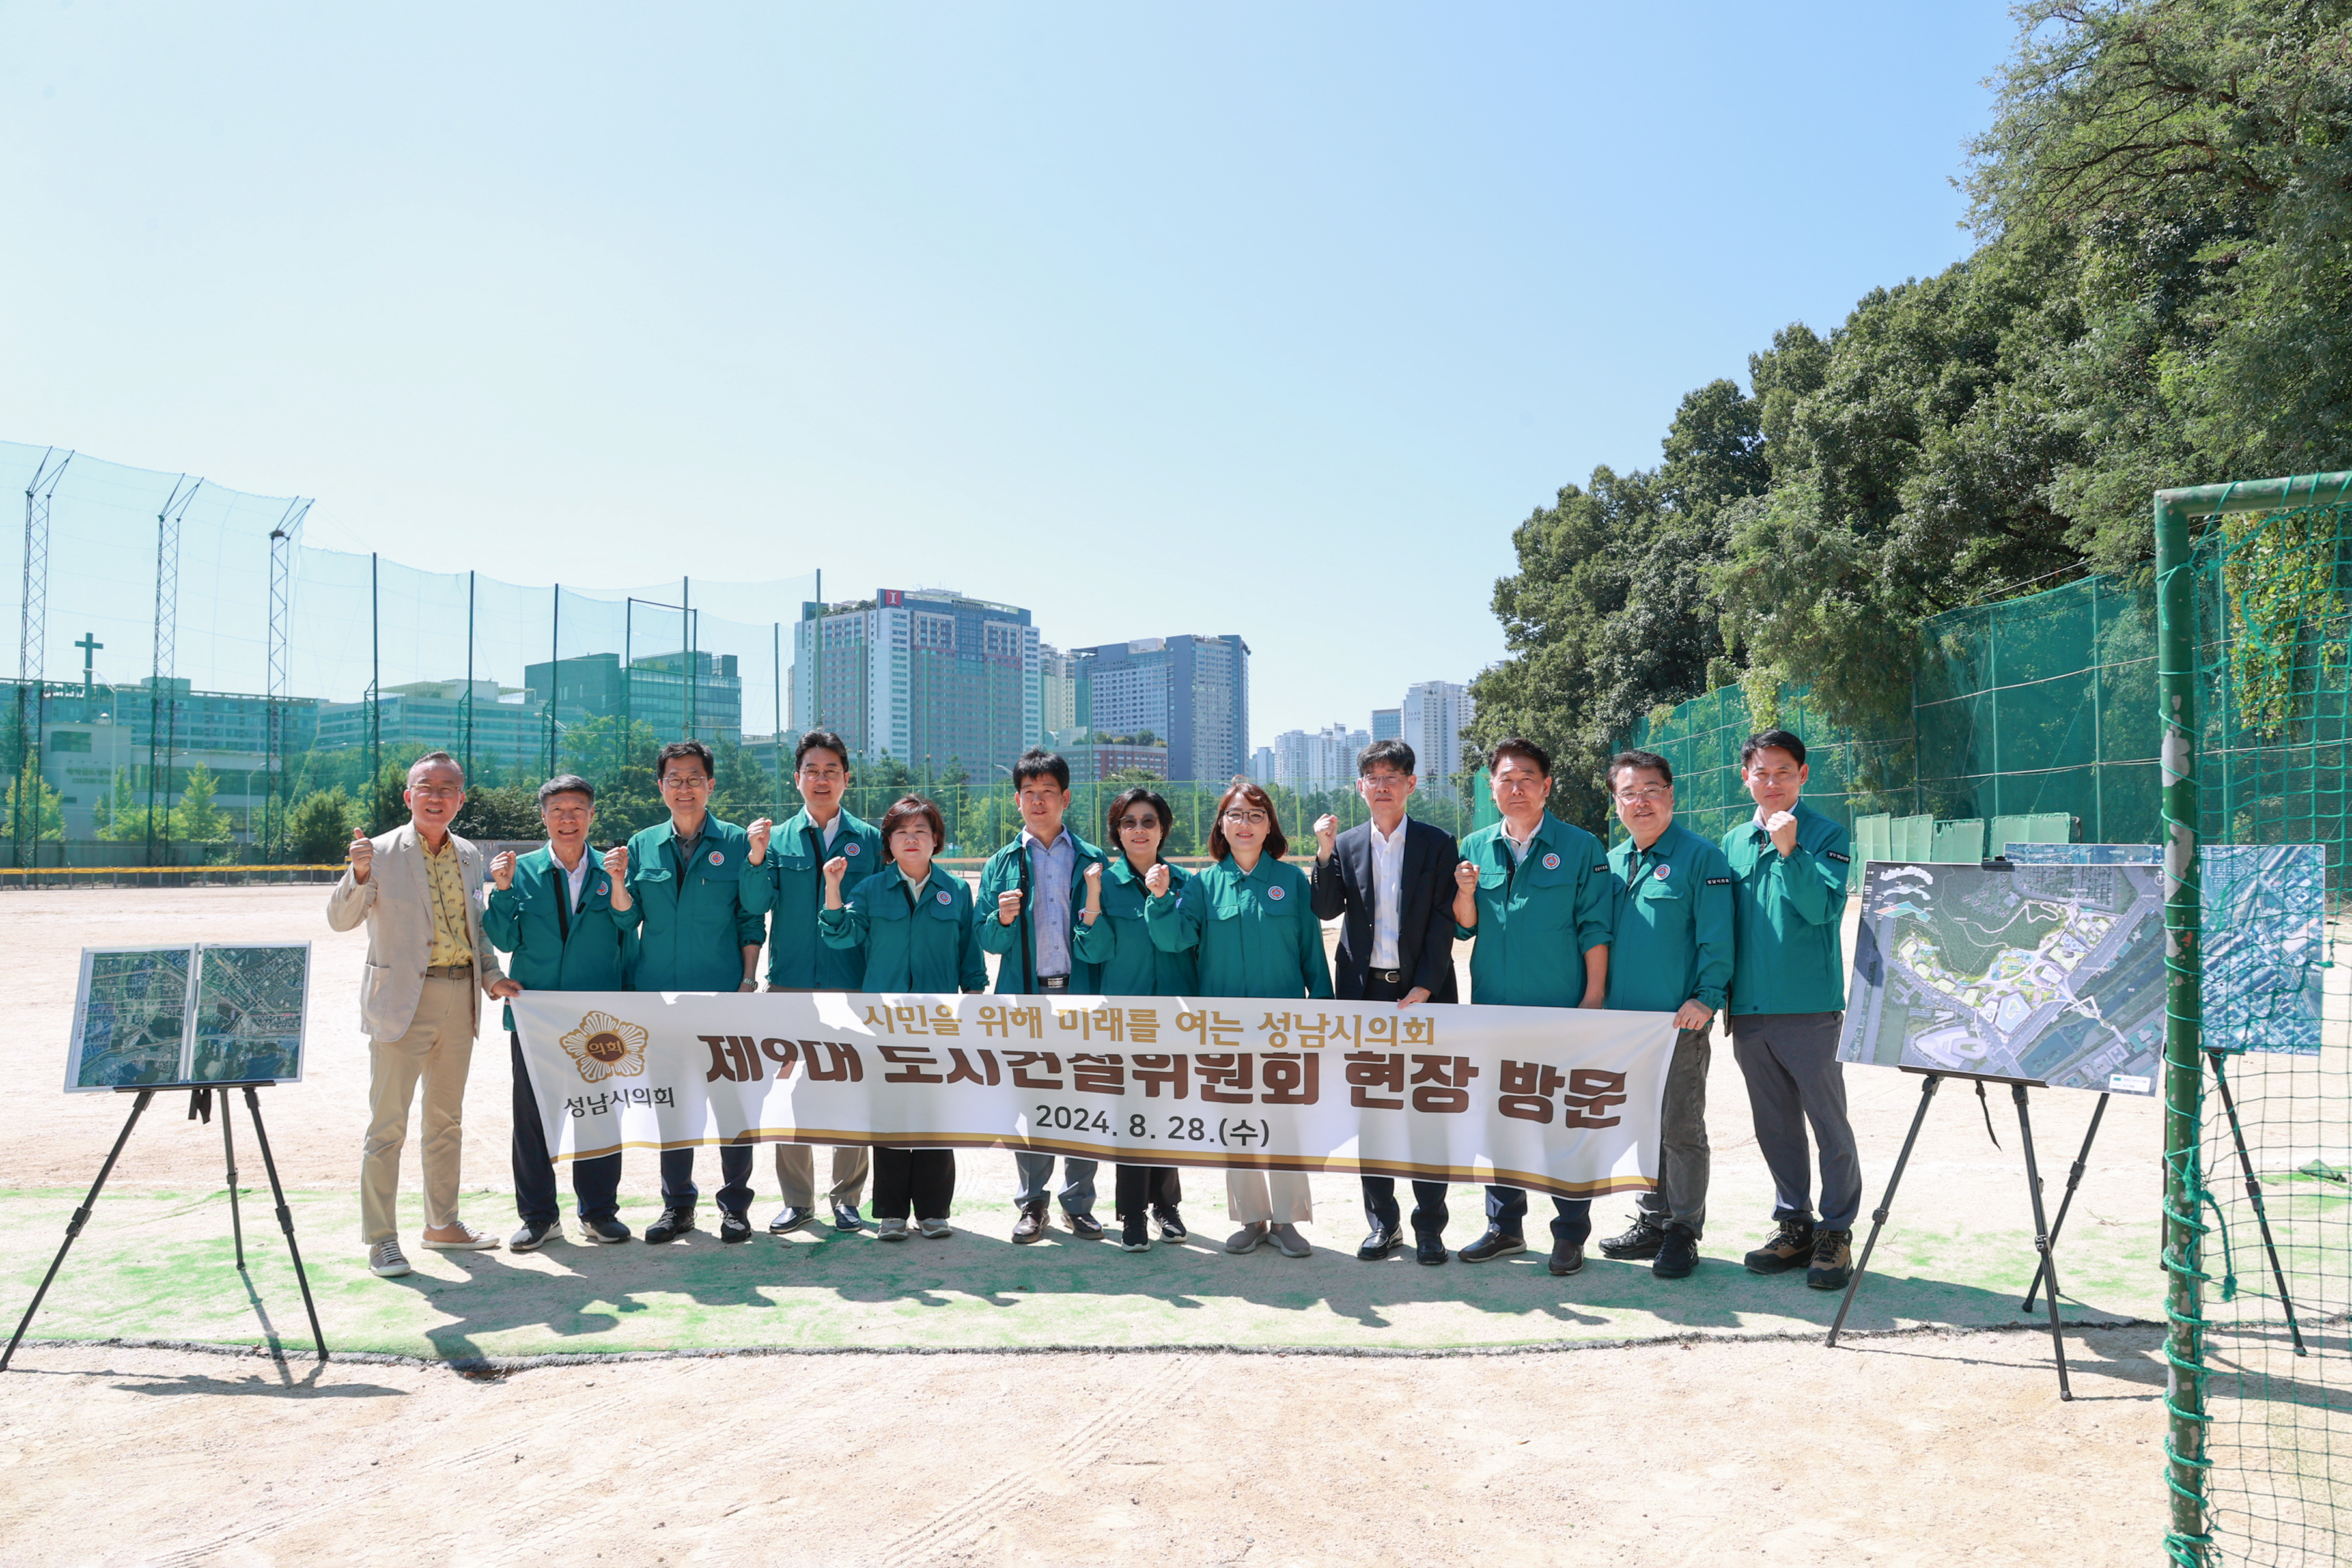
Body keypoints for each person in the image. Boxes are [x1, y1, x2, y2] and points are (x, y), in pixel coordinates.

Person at [326, 751, 520, 1279]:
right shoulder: (380, 852)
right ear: (408, 797)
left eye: (447, 788)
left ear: (461, 799)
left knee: (445, 1122)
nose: (436, 796)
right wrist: (358, 871)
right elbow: (340, 919)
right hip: (399, 1004)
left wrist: (490, 974)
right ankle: (381, 1240)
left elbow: (474, 926)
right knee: (387, 1126)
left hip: (461, 999)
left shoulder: (468, 855)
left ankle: (442, 1225)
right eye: (425, 787)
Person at [1448, 738, 1614, 1275]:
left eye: (1526, 778)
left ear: (1546, 787)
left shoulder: (1581, 846)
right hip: (1496, 1010)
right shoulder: (1474, 845)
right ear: (1491, 787)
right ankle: (1505, 1228)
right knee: (1502, 1121)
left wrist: (1592, 1000)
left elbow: (1595, 926)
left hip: (1562, 1010)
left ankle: (1570, 1233)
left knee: (1564, 1123)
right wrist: (1467, 894)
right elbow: (1463, 927)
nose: (1515, 787)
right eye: (1505, 778)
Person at [1147, 777, 1332, 1259]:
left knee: (1285, 1124)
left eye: (1255, 815)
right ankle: (1252, 1218)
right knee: (1240, 1124)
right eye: (1235, 815)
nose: (1245, 824)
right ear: (1221, 827)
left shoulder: (1291, 880)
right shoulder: (1204, 884)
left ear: (1269, 824)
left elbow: (1313, 956)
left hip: (1285, 1029)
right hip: (1225, 1031)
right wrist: (1162, 899)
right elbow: (1175, 940)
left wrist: (1326, 1016)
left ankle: (1288, 1220)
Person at [1308, 738, 1462, 1267]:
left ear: (1411, 785)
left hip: (1425, 994)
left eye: (1392, 776)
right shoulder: (1348, 844)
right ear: (1360, 787)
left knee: (1427, 1112)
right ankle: (1384, 1225)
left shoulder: (1439, 843)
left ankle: (1430, 1229)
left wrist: (1426, 982)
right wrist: (1324, 852)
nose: (1381, 786)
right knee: (1370, 1114)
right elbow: (1327, 908)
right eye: (1372, 777)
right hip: (1364, 993)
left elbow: (1446, 921)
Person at [1720, 728, 1860, 1291]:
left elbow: (1823, 908)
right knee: (1774, 1126)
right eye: (1761, 772)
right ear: (1746, 777)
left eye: (1784, 772)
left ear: (1804, 775)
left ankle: (1837, 1231)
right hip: (1749, 1012)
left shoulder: (1826, 834)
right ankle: (1793, 1223)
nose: (1772, 782)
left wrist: (1790, 850)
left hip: (1809, 1010)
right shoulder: (1730, 842)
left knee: (1829, 1124)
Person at [1591, 751, 1735, 1281]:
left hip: (1678, 1025)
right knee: (1641, 1127)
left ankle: (1683, 1231)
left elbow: (1717, 937)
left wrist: (1708, 996)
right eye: (1630, 792)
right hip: (1623, 1029)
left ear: (1671, 796)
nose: (1641, 800)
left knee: (1680, 1128)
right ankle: (1654, 1218)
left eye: (1652, 789)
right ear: (1617, 803)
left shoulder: (1701, 858)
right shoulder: (1611, 862)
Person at [820, 794, 987, 1240]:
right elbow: (840, 937)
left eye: (922, 832)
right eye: (901, 833)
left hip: (940, 1023)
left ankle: (933, 1211)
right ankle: (891, 1212)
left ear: (937, 841)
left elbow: (970, 954)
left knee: (935, 1116)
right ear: (888, 843)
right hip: (883, 1023)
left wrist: (972, 1000)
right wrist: (833, 888)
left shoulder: (955, 891)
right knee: (890, 1116)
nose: (912, 840)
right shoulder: (871, 890)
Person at [619, 740, 765, 1246]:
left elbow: (751, 917)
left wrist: (747, 982)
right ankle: (677, 1205)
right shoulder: (642, 845)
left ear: (711, 784)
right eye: (675, 779)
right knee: (672, 1105)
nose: (685, 788)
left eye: (694, 778)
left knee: (732, 1106)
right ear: (661, 787)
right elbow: (626, 917)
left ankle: (735, 1207)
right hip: (660, 1002)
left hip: (723, 1000)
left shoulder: (734, 842)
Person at [483, 775, 637, 1249]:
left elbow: (628, 928)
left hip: (598, 1018)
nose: (567, 819)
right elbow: (504, 940)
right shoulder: (520, 870)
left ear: (592, 816)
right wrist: (503, 890)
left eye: (577, 810)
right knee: (531, 1119)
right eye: (558, 811)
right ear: (544, 817)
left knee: (599, 1113)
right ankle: (538, 1217)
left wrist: (616, 883)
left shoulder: (612, 869)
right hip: (536, 1017)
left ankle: (598, 1212)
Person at [742, 729, 882, 1237]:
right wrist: (757, 857)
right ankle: (797, 1200)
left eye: (831, 772)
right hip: (790, 983)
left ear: (847, 778)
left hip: (853, 984)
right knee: (788, 1096)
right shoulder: (774, 838)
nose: (821, 780)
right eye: (811, 772)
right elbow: (756, 904)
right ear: (796, 779)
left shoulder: (871, 840)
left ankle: (848, 1199)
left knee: (853, 1094)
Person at [975, 748, 1112, 1243]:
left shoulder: (1095, 860)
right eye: (1029, 794)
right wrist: (1004, 919)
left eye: (1048, 792)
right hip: (1024, 1000)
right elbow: (988, 941)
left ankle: (1080, 1203)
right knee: (1031, 1102)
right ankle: (1033, 1204)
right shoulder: (1001, 863)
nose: (1038, 802)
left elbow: (1106, 944)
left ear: (1066, 798)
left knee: (1084, 1100)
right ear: (1017, 801)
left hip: (1082, 998)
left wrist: (1093, 911)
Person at [1071, 785, 1195, 1252]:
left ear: (1163, 829)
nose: (1138, 830)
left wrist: (1163, 896)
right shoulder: (1102, 881)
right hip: (1123, 1021)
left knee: (1165, 1115)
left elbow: (1182, 943)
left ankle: (1167, 1206)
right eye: (1128, 823)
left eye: (1148, 821)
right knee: (1132, 1119)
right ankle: (1133, 1216)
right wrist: (1096, 892)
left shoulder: (1187, 884)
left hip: (1178, 1018)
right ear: (1117, 833)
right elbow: (1094, 947)